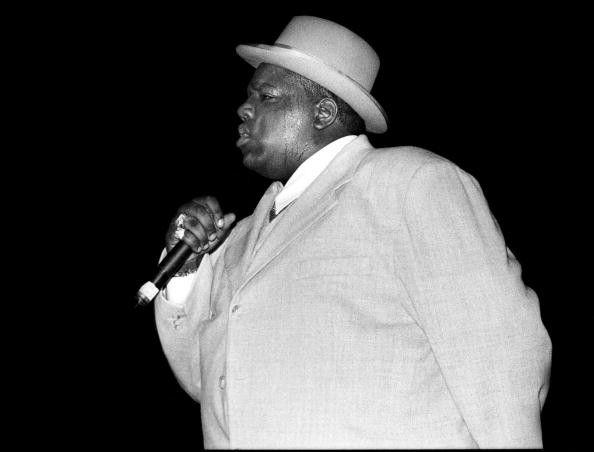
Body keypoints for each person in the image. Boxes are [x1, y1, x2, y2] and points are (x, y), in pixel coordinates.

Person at [153, 16, 551, 449]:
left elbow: (500, 354)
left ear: (323, 113)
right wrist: (186, 272)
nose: (244, 109)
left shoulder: (408, 184)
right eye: (249, 96)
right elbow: (210, 383)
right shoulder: (241, 237)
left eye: (266, 96)